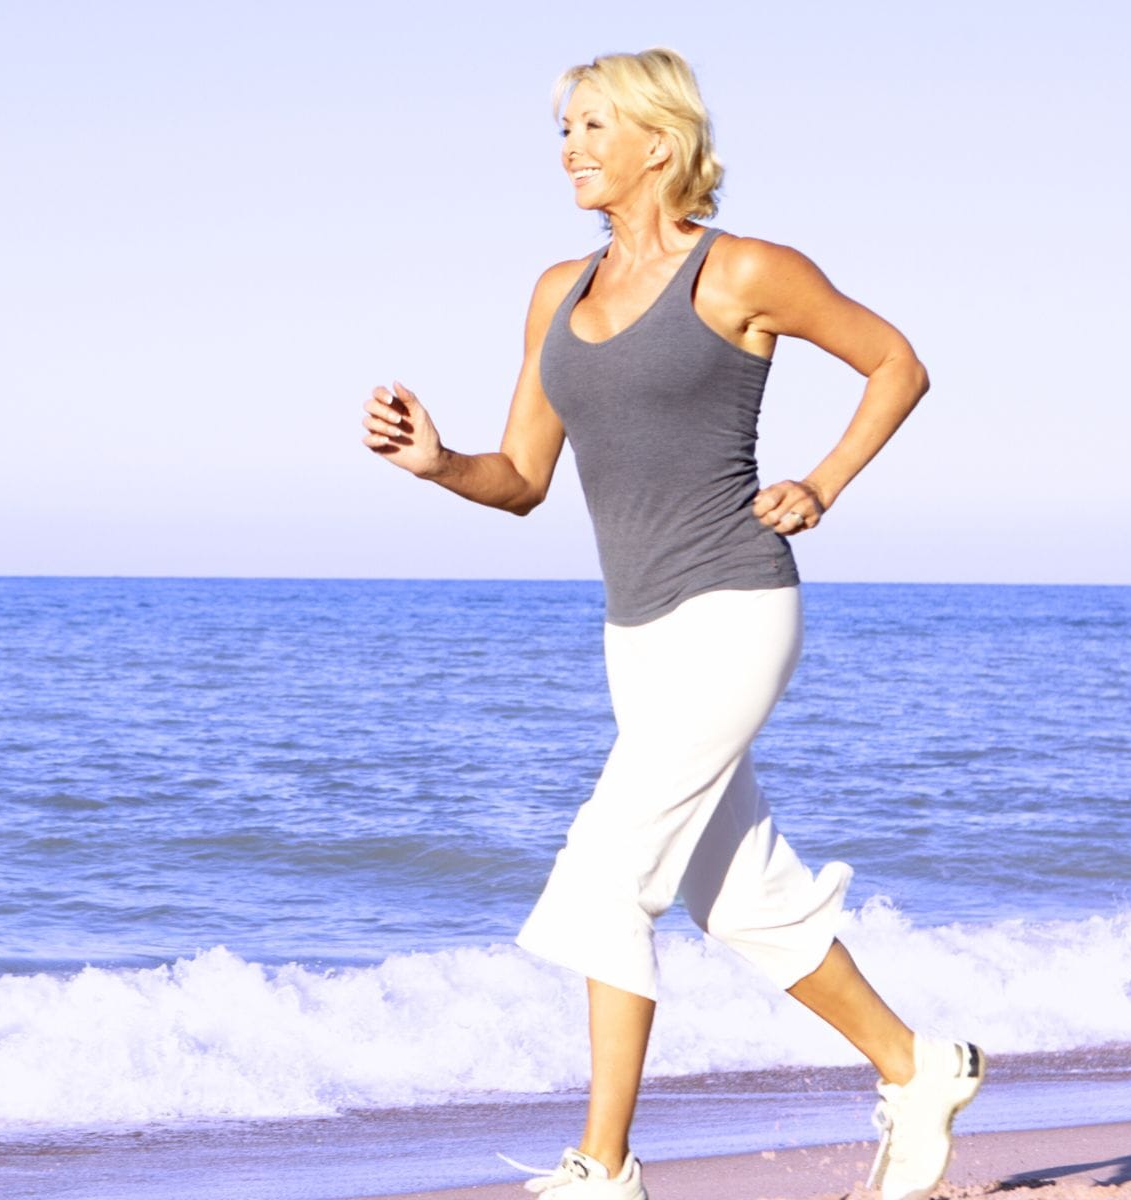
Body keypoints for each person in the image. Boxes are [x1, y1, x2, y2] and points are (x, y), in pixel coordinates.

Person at [358, 47, 984, 1200]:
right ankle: (917, 1065)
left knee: (604, 878)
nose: (571, 149)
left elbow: (897, 362)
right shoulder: (560, 291)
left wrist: (824, 482)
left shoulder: (743, 270)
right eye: (562, 130)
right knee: (735, 894)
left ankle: (603, 1168)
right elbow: (523, 479)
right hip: (635, 630)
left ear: (659, 138)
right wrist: (439, 462)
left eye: (593, 126)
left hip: (736, 602)